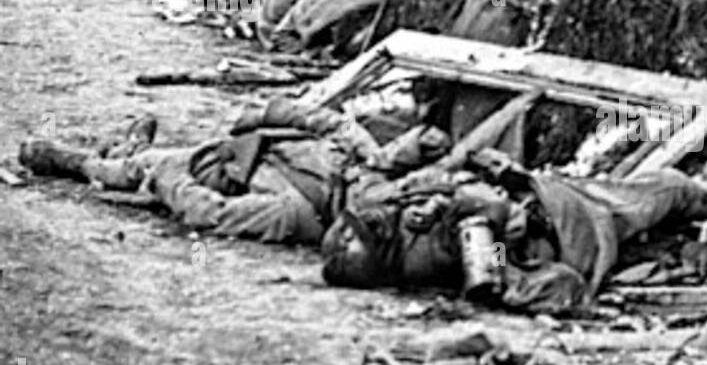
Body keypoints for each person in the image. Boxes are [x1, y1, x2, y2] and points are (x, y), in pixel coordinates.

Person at [17, 82, 450, 247]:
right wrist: (264, 115)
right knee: (151, 157)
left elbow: (210, 213)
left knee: (137, 168)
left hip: (212, 173)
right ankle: (127, 150)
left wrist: (169, 182)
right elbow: (321, 118)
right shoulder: (361, 156)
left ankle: (71, 160)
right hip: (239, 147)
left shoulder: (295, 214)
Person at [319, 151, 707, 310]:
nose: (376, 216)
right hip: (577, 223)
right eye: (370, 228)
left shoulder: (400, 218)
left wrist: (440, 193)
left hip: (556, 197)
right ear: (383, 250)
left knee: (663, 194)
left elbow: (441, 172)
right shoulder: (435, 251)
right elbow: (489, 219)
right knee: (669, 189)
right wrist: (456, 208)